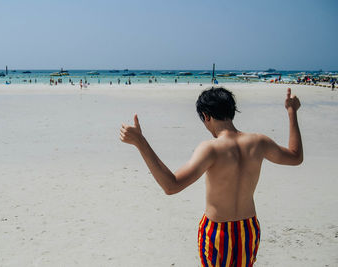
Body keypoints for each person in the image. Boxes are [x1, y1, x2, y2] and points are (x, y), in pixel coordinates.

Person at [120, 87, 303, 266]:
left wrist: (140, 142)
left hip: (217, 232)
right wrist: (291, 111)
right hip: (248, 229)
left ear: (206, 116)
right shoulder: (260, 142)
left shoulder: (211, 148)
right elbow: (296, 156)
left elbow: (171, 185)